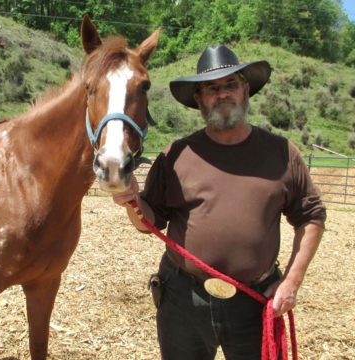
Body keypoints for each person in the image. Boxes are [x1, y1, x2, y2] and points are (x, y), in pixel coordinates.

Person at [113, 44, 326, 360]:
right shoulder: (175, 156)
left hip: (254, 300)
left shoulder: (281, 153)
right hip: (182, 299)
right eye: (212, 88)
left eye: (231, 85)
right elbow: (149, 221)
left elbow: (311, 217)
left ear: (246, 90)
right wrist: (131, 199)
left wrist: (291, 283)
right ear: (198, 99)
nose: (223, 94)